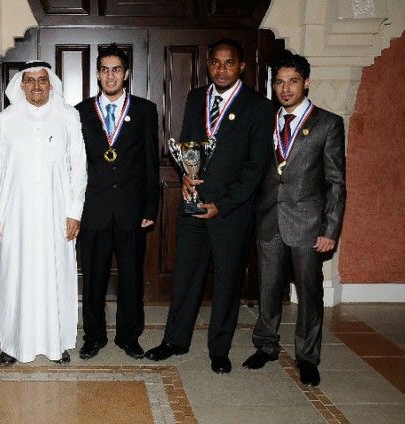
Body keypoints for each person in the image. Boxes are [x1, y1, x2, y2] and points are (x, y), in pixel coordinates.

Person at [145, 39, 275, 374]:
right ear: (208, 65)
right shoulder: (196, 97)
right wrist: (184, 177)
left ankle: (219, 349)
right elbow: (187, 146)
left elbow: (256, 168)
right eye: (215, 62)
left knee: (227, 281)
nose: (221, 69)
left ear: (241, 67)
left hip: (230, 212)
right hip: (193, 205)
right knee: (186, 275)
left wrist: (223, 204)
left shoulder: (258, 107)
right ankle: (175, 340)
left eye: (229, 63)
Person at [242, 54, 346, 387]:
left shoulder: (328, 123)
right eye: (279, 82)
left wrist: (330, 229)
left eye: (293, 81)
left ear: (306, 83)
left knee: (309, 293)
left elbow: (336, 182)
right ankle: (266, 345)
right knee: (268, 288)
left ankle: (308, 357)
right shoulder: (265, 120)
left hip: (308, 224)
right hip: (268, 219)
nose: (285, 89)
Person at [0, 61, 87, 365]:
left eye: (42, 80)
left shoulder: (68, 116)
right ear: (21, 85)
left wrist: (75, 212)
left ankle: (57, 343)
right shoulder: (5, 120)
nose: (36, 85)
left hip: (57, 215)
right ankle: (12, 344)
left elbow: (79, 167)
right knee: (15, 277)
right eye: (30, 80)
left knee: (56, 276)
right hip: (14, 216)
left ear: (50, 84)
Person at [75, 44, 159, 360]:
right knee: (93, 278)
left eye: (116, 69)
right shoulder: (81, 112)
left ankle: (128, 336)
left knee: (131, 277)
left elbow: (150, 161)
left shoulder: (145, 110)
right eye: (105, 69)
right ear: (98, 74)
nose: (110, 76)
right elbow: (73, 165)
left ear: (126, 74)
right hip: (93, 209)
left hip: (131, 209)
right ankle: (94, 336)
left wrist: (150, 206)